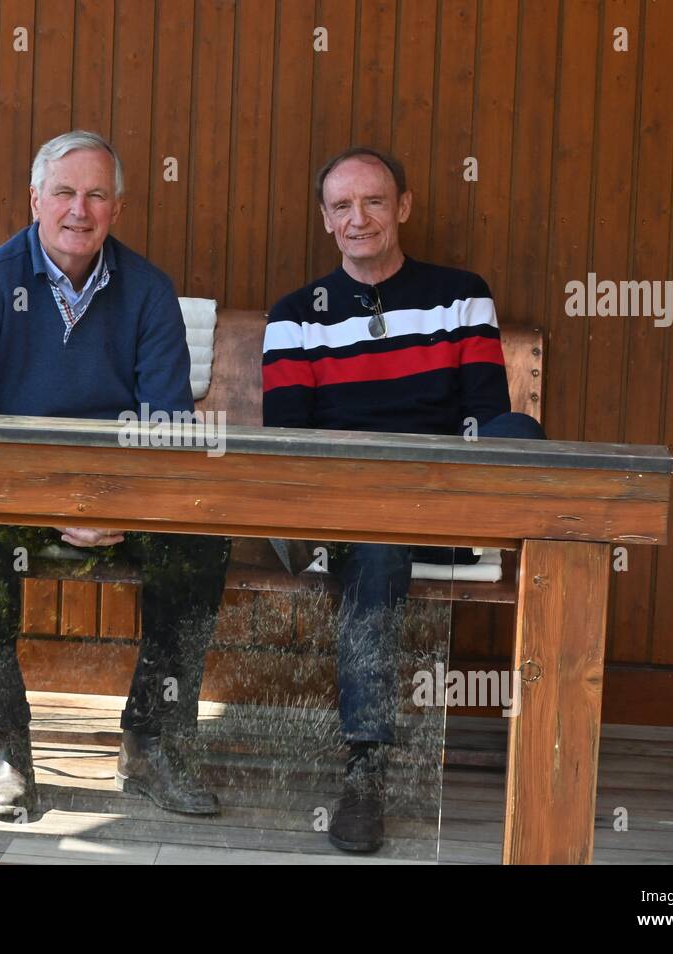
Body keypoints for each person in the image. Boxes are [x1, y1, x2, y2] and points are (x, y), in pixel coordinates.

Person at [0, 130, 229, 822]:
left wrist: (113, 503)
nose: (79, 210)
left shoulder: (148, 291)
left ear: (117, 208)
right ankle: (6, 745)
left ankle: (152, 743)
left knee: (201, 542)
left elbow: (167, 429)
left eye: (96, 195)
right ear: (36, 200)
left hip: (121, 498)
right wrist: (58, 505)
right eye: (64, 192)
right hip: (7, 495)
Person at [263, 146, 545, 853]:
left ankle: (552, 736)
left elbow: (483, 418)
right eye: (342, 206)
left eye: (375, 202)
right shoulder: (297, 316)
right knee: (377, 545)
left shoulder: (461, 295)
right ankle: (366, 767)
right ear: (326, 219)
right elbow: (289, 446)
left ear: (404, 207)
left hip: (447, 504)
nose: (359, 219)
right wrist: (367, 499)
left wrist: (430, 489)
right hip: (349, 514)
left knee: (521, 429)